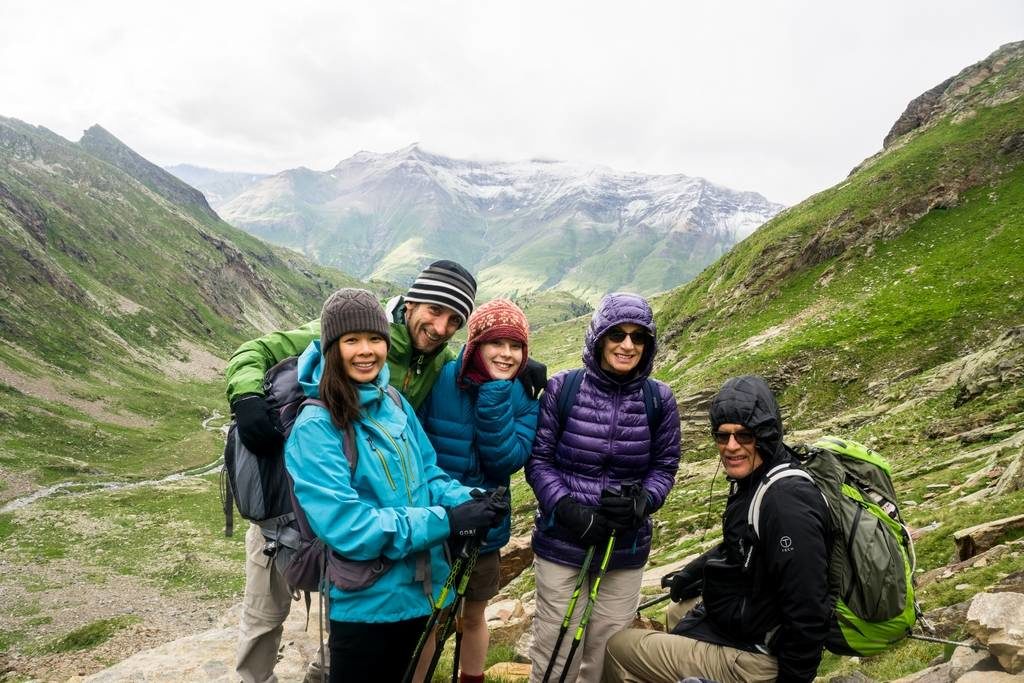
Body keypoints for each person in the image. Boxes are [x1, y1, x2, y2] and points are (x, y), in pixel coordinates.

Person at [226, 259, 479, 683]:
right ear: (410, 303)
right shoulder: (351, 325)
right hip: (288, 506)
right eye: (434, 311)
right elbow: (254, 351)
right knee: (265, 615)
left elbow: (469, 376)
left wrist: (514, 370)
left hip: (368, 521)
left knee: (345, 629)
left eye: (454, 320)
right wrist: (246, 397)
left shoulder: (430, 364)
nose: (440, 327)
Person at [283, 288, 509, 682]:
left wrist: (472, 499)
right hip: (366, 606)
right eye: (351, 340)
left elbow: (429, 476)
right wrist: (447, 520)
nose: (366, 350)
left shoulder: (393, 402)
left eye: (375, 339)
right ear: (332, 347)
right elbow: (348, 527)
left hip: (420, 593)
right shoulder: (316, 426)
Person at [602, 375, 831, 683]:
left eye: (744, 436)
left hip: (761, 659)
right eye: (722, 436)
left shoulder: (785, 504)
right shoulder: (759, 477)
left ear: (766, 435)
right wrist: (692, 573)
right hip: (753, 623)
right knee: (676, 611)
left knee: (620, 647)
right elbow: (742, 543)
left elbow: (809, 611)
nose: (731, 447)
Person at [525, 292, 681, 683]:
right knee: (555, 651)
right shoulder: (563, 389)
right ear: (599, 337)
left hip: (624, 549)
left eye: (638, 337)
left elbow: (664, 467)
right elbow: (539, 460)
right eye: (617, 334)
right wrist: (567, 509)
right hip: (562, 544)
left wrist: (643, 502)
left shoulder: (659, 399)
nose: (627, 345)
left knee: (608, 653)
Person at [418, 298, 540, 683]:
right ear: (475, 345)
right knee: (430, 619)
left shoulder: (524, 397)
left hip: (485, 534)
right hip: (437, 526)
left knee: (473, 615)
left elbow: (506, 460)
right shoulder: (438, 382)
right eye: (496, 343)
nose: (506, 354)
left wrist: (496, 394)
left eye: (516, 346)